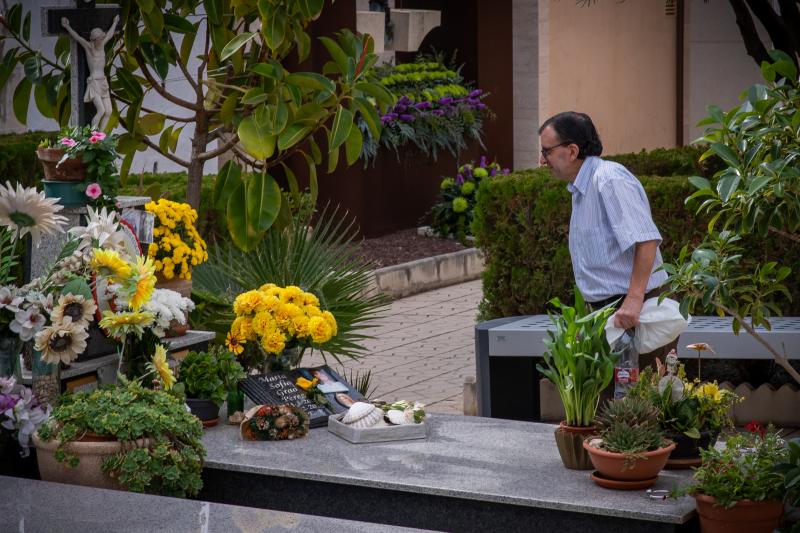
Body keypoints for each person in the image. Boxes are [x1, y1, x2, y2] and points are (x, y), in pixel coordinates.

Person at [537, 111, 678, 367]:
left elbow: (645, 241)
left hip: (637, 310)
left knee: (646, 401)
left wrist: (633, 301)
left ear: (571, 151)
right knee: (615, 402)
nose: (541, 160)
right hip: (613, 312)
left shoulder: (609, 180)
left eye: (546, 152)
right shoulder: (582, 186)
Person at [61, 15, 119, 129]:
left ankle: (100, 137)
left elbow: (110, 34)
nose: (102, 40)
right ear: (94, 39)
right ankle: (93, 137)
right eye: (100, 39)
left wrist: (115, 23)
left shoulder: (102, 45)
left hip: (103, 82)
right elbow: (77, 37)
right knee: (101, 110)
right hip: (94, 83)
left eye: (102, 38)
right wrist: (67, 26)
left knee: (109, 111)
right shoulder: (88, 47)